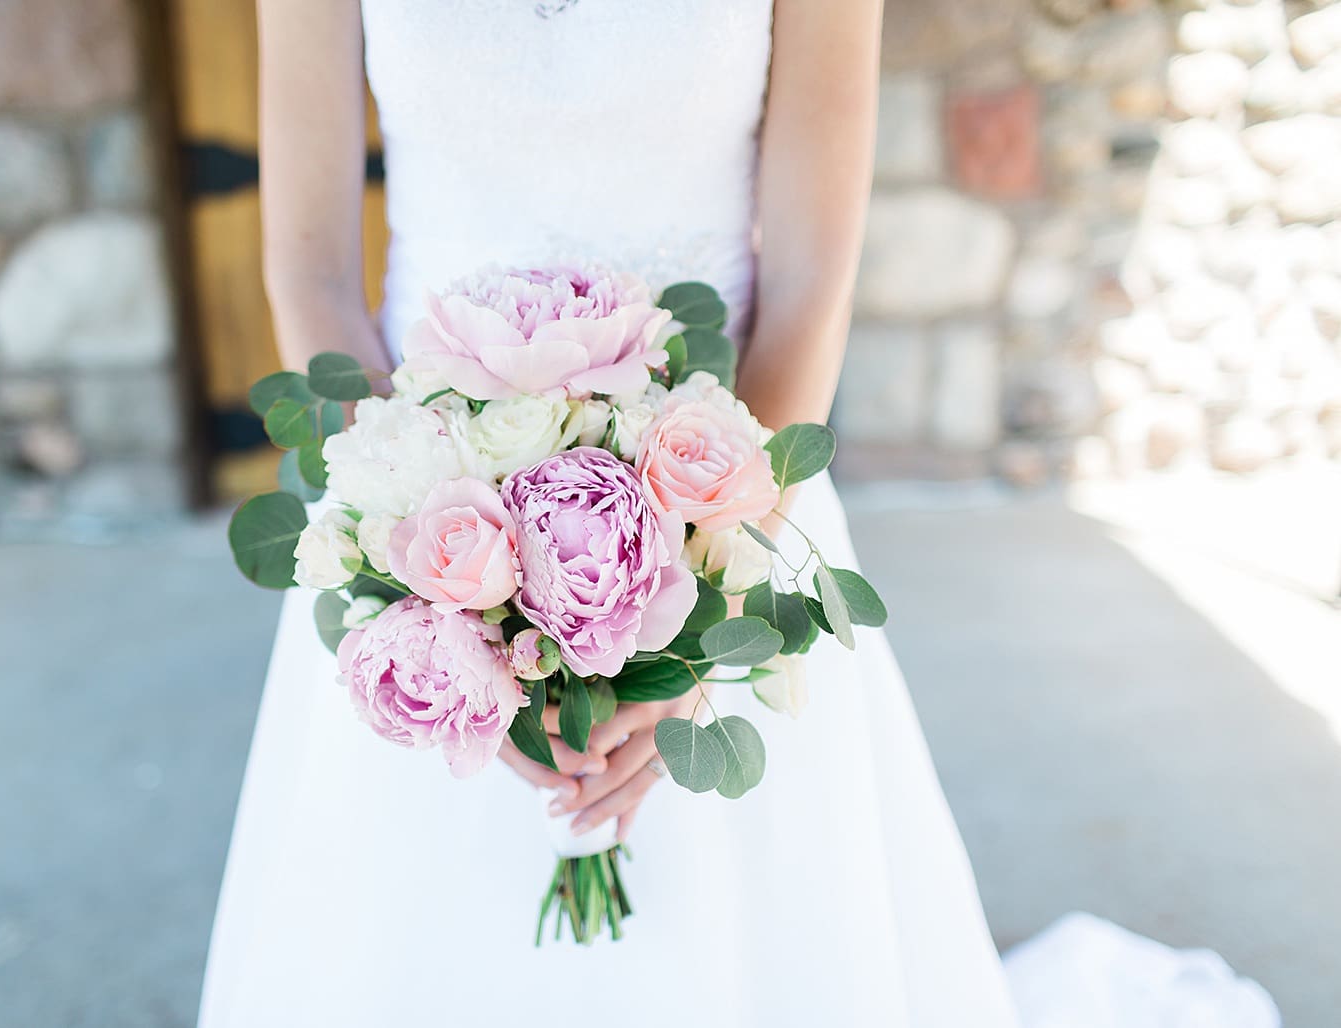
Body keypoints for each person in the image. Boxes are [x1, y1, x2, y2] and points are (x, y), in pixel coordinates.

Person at [198, 2, 1023, 1024]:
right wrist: (440, 600)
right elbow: (309, 268)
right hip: (422, 524)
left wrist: (704, 609)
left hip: (731, 490)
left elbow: (811, 277)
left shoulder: (727, 552)